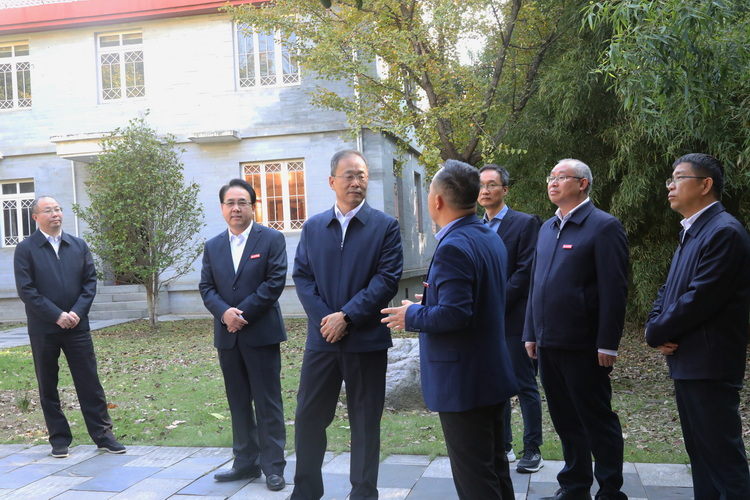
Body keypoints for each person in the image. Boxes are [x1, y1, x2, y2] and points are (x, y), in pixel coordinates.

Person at [382, 159, 519, 500]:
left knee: (477, 482)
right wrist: (431, 301)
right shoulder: (487, 236)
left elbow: (456, 315)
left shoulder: (454, 246)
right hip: (489, 374)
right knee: (495, 471)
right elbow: (477, 298)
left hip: (465, 383)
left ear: (438, 200)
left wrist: (412, 315)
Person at [291, 150, 403, 500]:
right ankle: (306, 492)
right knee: (308, 418)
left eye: (362, 176)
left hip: (366, 342)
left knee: (365, 424)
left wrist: (347, 316)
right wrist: (326, 320)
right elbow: (302, 277)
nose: (356, 182)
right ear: (332, 182)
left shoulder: (384, 227)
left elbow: (387, 279)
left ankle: (363, 494)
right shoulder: (313, 227)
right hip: (322, 342)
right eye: (349, 175)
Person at [522, 159, 629, 500]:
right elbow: (535, 284)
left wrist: (608, 343)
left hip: (584, 345)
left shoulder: (603, 226)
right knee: (565, 419)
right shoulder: (547, 228)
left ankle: (610, 490)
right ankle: (574, 485)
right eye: (550, 177)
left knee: (596, 418)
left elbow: (615, 289)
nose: (552, 183)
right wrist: (530, 331)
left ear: (582, 183)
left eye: (561, 177)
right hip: (548, 343)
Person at [645, 153, 750, 500]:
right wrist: (655, 325)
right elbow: (669, 288)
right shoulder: (693, 230)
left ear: (705, 185)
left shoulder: (724, 232)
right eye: (670, 179)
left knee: (722, 460)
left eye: (679, 178)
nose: (670, 186)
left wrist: (658, 332)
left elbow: (700, 297)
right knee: (702, 457)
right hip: (689, 361)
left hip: (710, 363)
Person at [13, 196, 125, 459]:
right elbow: (27, 290)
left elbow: (89, 283)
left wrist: (75, 313)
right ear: (35, 217)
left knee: (89, 382)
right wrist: (56, 315)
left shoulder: (78, 245)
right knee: (48, 385)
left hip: (77, 326)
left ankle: (103, 436)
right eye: (48, 210)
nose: (55, 214)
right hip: (44, 328)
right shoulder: (26, 249)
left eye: (58, 209)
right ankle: (59, 439)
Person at [199, 178, 287, 491]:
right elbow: (206, 287)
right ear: (222, 208)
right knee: (237, 402)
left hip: (261, 334)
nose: (236, 208)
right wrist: (225, 313)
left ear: (253, 206)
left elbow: (274, 283)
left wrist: (242, 314)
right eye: (230, 203)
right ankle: (245, 462)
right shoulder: (213, 246)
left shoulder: (271, 239)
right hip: (227, 337)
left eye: (242, 203)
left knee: (267, 402)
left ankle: (273, 466)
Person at [478, 163, 543, 473]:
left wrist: (494, 302)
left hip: (515, 319)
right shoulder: (476, 227)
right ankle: (503, 446)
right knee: (496, 386)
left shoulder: (525, 223)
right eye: (481, 185)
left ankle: (533, 448)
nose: (485, 190)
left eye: (492, 184)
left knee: (524, 384)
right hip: (484, 323)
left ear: (504, 189)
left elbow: (526, 271)